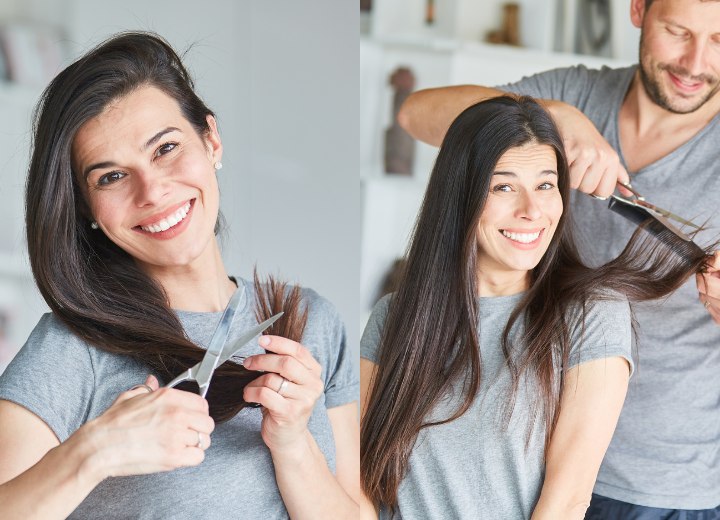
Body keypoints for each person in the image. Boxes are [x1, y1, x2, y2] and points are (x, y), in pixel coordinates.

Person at [0, 32, 359, 519]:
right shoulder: (73, 349)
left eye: (165, 148)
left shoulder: (312, 323)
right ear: (87, 208)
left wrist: (293, 443)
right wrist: (95, 451)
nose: (152, 191)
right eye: (111, 176)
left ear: (211, 140)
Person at [398, 0, 720, 516]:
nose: (696, 61)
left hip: (660, 486)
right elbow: (416, 113)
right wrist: (554, 119)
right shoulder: (576, 93)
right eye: (677, 31)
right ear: (638, 10)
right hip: (529, 462)